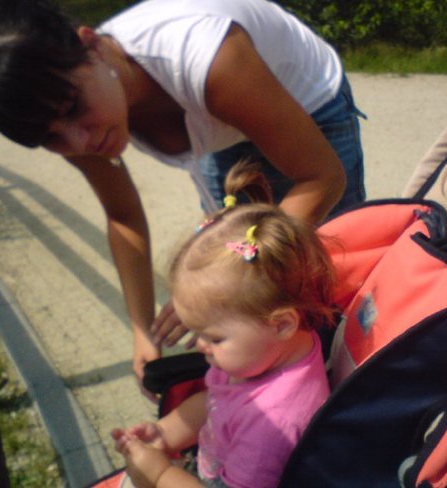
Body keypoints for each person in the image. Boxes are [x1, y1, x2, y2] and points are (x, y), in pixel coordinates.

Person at [0, 0, 365, 388]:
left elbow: (321, 176)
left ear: (92, 45)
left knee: (324, 283)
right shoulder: (65, 114)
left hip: (303, 100)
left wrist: (228, 274)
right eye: (49, 138)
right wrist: (143, 332)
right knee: (246, 293)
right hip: (217, 121)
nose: (78, 142)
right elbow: (123, 216)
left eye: (73, 109)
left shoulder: (207, 57)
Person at [111, 161, 334, 488]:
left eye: (214, 337)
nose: (201, 346)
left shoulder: (273, 423)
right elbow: (216, 400)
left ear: (281, 324)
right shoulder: (262, 354)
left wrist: (159, 475)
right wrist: (164, 433)